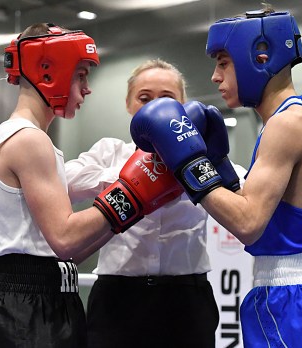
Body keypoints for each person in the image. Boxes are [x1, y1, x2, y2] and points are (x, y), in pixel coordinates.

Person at [129, 5, 302, 347]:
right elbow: (264, 213)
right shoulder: (289, 121)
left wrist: (186, 163)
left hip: (290, 298)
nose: (215, 77)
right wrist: (219, 167)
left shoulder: (288, 124)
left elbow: (247, 223)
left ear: (260, 56)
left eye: (223, 62)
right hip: (293, 296)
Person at [0, 23, 180, 348]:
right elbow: (66, 238)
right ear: (49, 71)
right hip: (25, 308)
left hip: (41, 297)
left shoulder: (26, 137)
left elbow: (69, 251)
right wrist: (135, 192)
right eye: (81, 74)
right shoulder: (29, 140)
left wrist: (137, 205)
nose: (87, 88)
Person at [64, 58, 246, 348]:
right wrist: (135, 175)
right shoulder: (111, 152)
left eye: (166, 99)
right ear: (128, 104)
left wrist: (204, 166)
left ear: (182, 105)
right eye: (144, 98)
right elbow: (65, 180)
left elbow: (244, 193)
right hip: (118, 298)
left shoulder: (199, 158)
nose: (154, 106)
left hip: (187, 297)